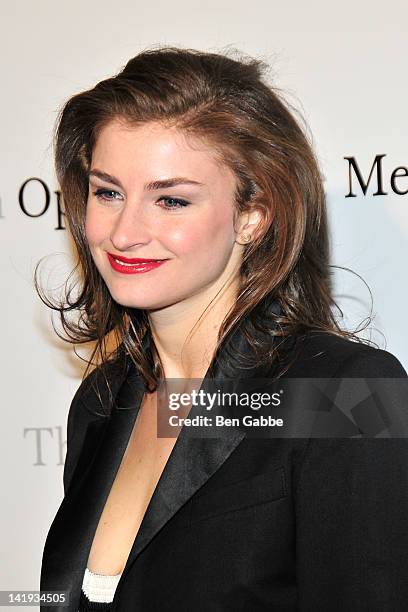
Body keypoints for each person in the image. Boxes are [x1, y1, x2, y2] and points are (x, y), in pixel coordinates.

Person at [38, 46, 408, 611]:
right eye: (108, 192)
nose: (125, 231)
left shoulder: (349, 395)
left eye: (171, 200)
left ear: (253, 216)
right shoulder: (101, 401)